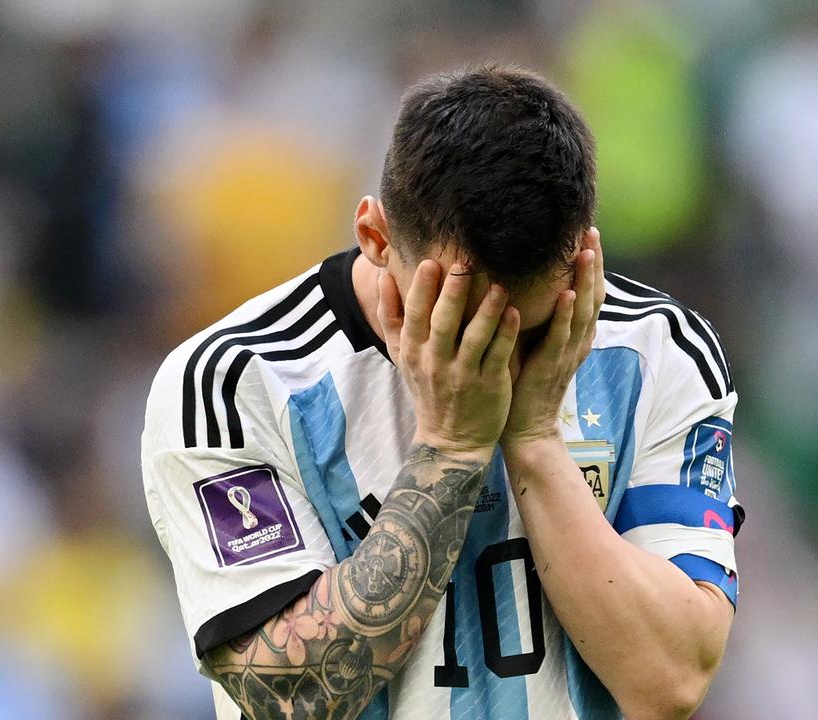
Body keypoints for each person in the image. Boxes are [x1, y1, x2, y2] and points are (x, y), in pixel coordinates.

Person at [141, 64, 742, 720]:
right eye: (461, 316)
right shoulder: (235, 384)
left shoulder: (658, 352)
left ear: (581, 256)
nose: (494, 357)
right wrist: (451, 448)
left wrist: (534, 439)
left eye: (528, 330)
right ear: (375, 238)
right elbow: (287, 697)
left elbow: (670, 682)